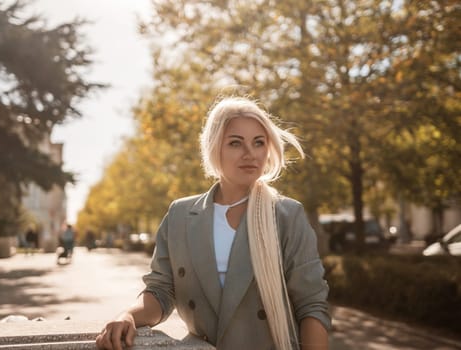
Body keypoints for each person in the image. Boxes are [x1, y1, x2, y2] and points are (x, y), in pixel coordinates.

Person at [96, 97, 331, 350]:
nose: (250, 154)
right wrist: (128, 316)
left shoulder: (286, 215)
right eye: (235, 143)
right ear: (214, 148)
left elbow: (311, 305)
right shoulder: (180, 215)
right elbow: (161, 292)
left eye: (258, 143)